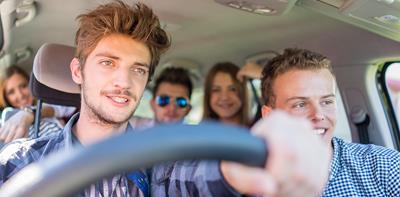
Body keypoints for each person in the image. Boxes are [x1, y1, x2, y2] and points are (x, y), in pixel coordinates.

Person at [0, 1, 331, 196]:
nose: (123, 81)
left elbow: (203, 176)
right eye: (107, 63)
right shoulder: (20, 160)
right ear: (78, 71)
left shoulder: (163, 164)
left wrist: (250, 165)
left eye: (138, 70)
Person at [239, 48, 400, 195]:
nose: (318, 115)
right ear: (270, 115)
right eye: (300, 104)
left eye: (327, 102)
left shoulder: (385, 166)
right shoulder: (249, 182)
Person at [0, 65, 76, 142]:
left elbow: (64, 108)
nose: (20, 95)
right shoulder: (7, 118)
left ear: (31, 84)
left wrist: (30, 113)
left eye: (23, 86)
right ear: (5, 98)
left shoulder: (45, 101)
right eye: (11, 92)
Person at [203, 62, 250, 127]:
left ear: (243, 93)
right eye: (216, 90)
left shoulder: (259, 130)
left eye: (232, 89)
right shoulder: (199, 134)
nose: (224, 97)